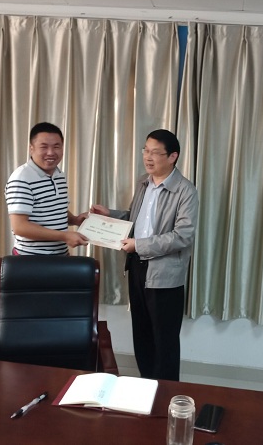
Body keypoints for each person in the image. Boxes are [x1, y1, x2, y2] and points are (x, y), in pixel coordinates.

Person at [91, 129, 198, 381]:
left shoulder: (185, 191)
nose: (148, 157)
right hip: (137, 268)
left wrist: (139, 245)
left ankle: (165, 392)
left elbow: (182, 236)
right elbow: (135, 219)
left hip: (165, 275)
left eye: (155, 153)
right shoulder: (143, 182)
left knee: (164, 341)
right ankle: (145, 386)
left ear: (172, 156)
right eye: (145, 151)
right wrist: (110, 215)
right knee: (141, 334)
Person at [5, 122, 88, 255]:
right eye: (44, 147)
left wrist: (75, 220)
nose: (51, 153)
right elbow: (20, 227)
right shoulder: (21, 178)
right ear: (31, 149)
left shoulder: (59, 175)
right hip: (31, 258)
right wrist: (65, 236)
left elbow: (54, 209)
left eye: (56, 147)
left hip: (60, 255)